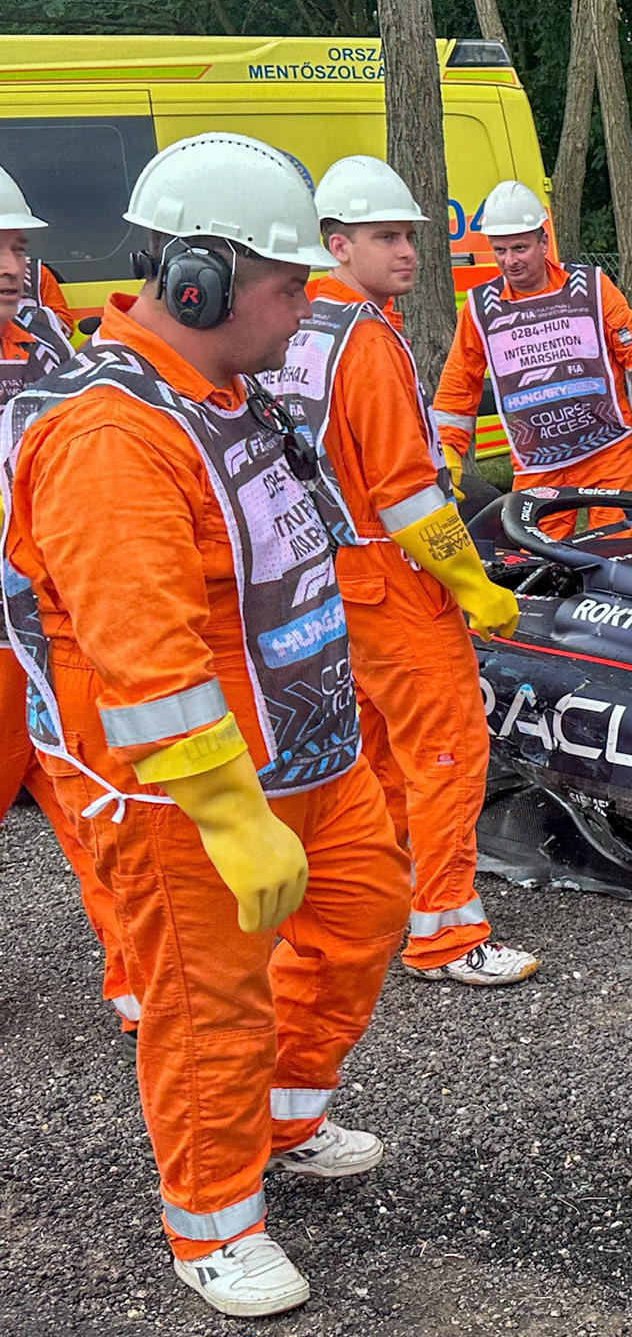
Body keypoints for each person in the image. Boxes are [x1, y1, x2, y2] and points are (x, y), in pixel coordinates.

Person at [1, 132, 412, 1317]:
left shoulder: (223, 396)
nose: (307, 304)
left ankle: (286, 1115)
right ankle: (215, 1222)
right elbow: (147, 657)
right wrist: (233, 817)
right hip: (191, 789)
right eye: (291, 283)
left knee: (367, 909)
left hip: (305, 753)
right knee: (205, 1005)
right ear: (202, 284)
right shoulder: (111, 435)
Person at [257, 154, 535, 986]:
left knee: (369, 756)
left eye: (410, 234)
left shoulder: (298, 328)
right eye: (386, 236)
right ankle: (446, 935)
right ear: (336, 245)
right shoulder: (368, 344)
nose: (409, 251)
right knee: (446, 751)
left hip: (325, 577)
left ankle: (370, 907)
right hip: (392, 579)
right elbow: (409, 496)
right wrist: (473, 584)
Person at [0, 162, 139, 1033]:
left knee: (97, 800)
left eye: (16, 245)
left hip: (47, 618)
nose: (13, 263)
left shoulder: (47, 336)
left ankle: (136, 974)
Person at [430, 179, 632, 536]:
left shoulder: (591, 288)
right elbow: (459, 386)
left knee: (620, 554)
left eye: (520, 248)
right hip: (538, 463)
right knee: (540, 564)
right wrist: (449, 448)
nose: (509, 261)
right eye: (499, 249)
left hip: (607, 450)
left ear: (543, 242)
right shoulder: (481, 308)